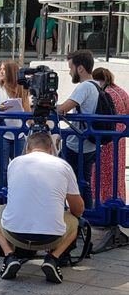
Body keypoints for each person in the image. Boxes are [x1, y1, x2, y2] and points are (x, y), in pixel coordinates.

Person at [0, 132, 84, 284]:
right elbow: (78, 209)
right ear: (50, 148)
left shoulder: (14, 163)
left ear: (27, 147)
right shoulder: (63, 166)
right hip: (52, 238)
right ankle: (53, 258)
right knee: (74, 221)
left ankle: (9, 256)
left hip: (16, 235)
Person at [56, 50, 98, 209]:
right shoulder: (95, 85)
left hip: (77, 144)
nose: (69, 72)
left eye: (70, 68)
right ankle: (87, 214)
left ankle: (81, 213)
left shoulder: (85, 87)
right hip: (88, 142)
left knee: (65, 178)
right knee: (83, 181)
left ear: (80, 69)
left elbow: (62, 110)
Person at [0, 60, 31, 187]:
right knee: (3, 169)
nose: (1, 71)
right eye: (0, 69)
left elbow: (28, 112)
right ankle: (1, 199)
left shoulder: (22, 89)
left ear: (12, 72)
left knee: (19, 168)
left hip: (18, 134)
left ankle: (15, 195)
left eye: (4, 69)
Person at [91, 67, 127, 202]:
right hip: (121, 137)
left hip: (106, 137)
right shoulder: (121, 92)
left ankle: (102, 200)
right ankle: (118, 199)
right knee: (117, 172)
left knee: (102, 172)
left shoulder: (104, 93)